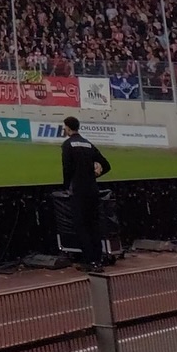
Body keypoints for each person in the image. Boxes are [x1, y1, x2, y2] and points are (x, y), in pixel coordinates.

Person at [60, 116, 112, 270]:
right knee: (94, 226)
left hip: (79, 191)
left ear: (68, 128)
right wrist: (95, 175)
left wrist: (66, 187)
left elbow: (67, 170)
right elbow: (106, 165)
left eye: (64, 127)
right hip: (92, 190)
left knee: (82, 227)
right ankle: (97, 259)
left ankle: (89, 261)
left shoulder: (67, 145)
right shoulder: (88, 144)